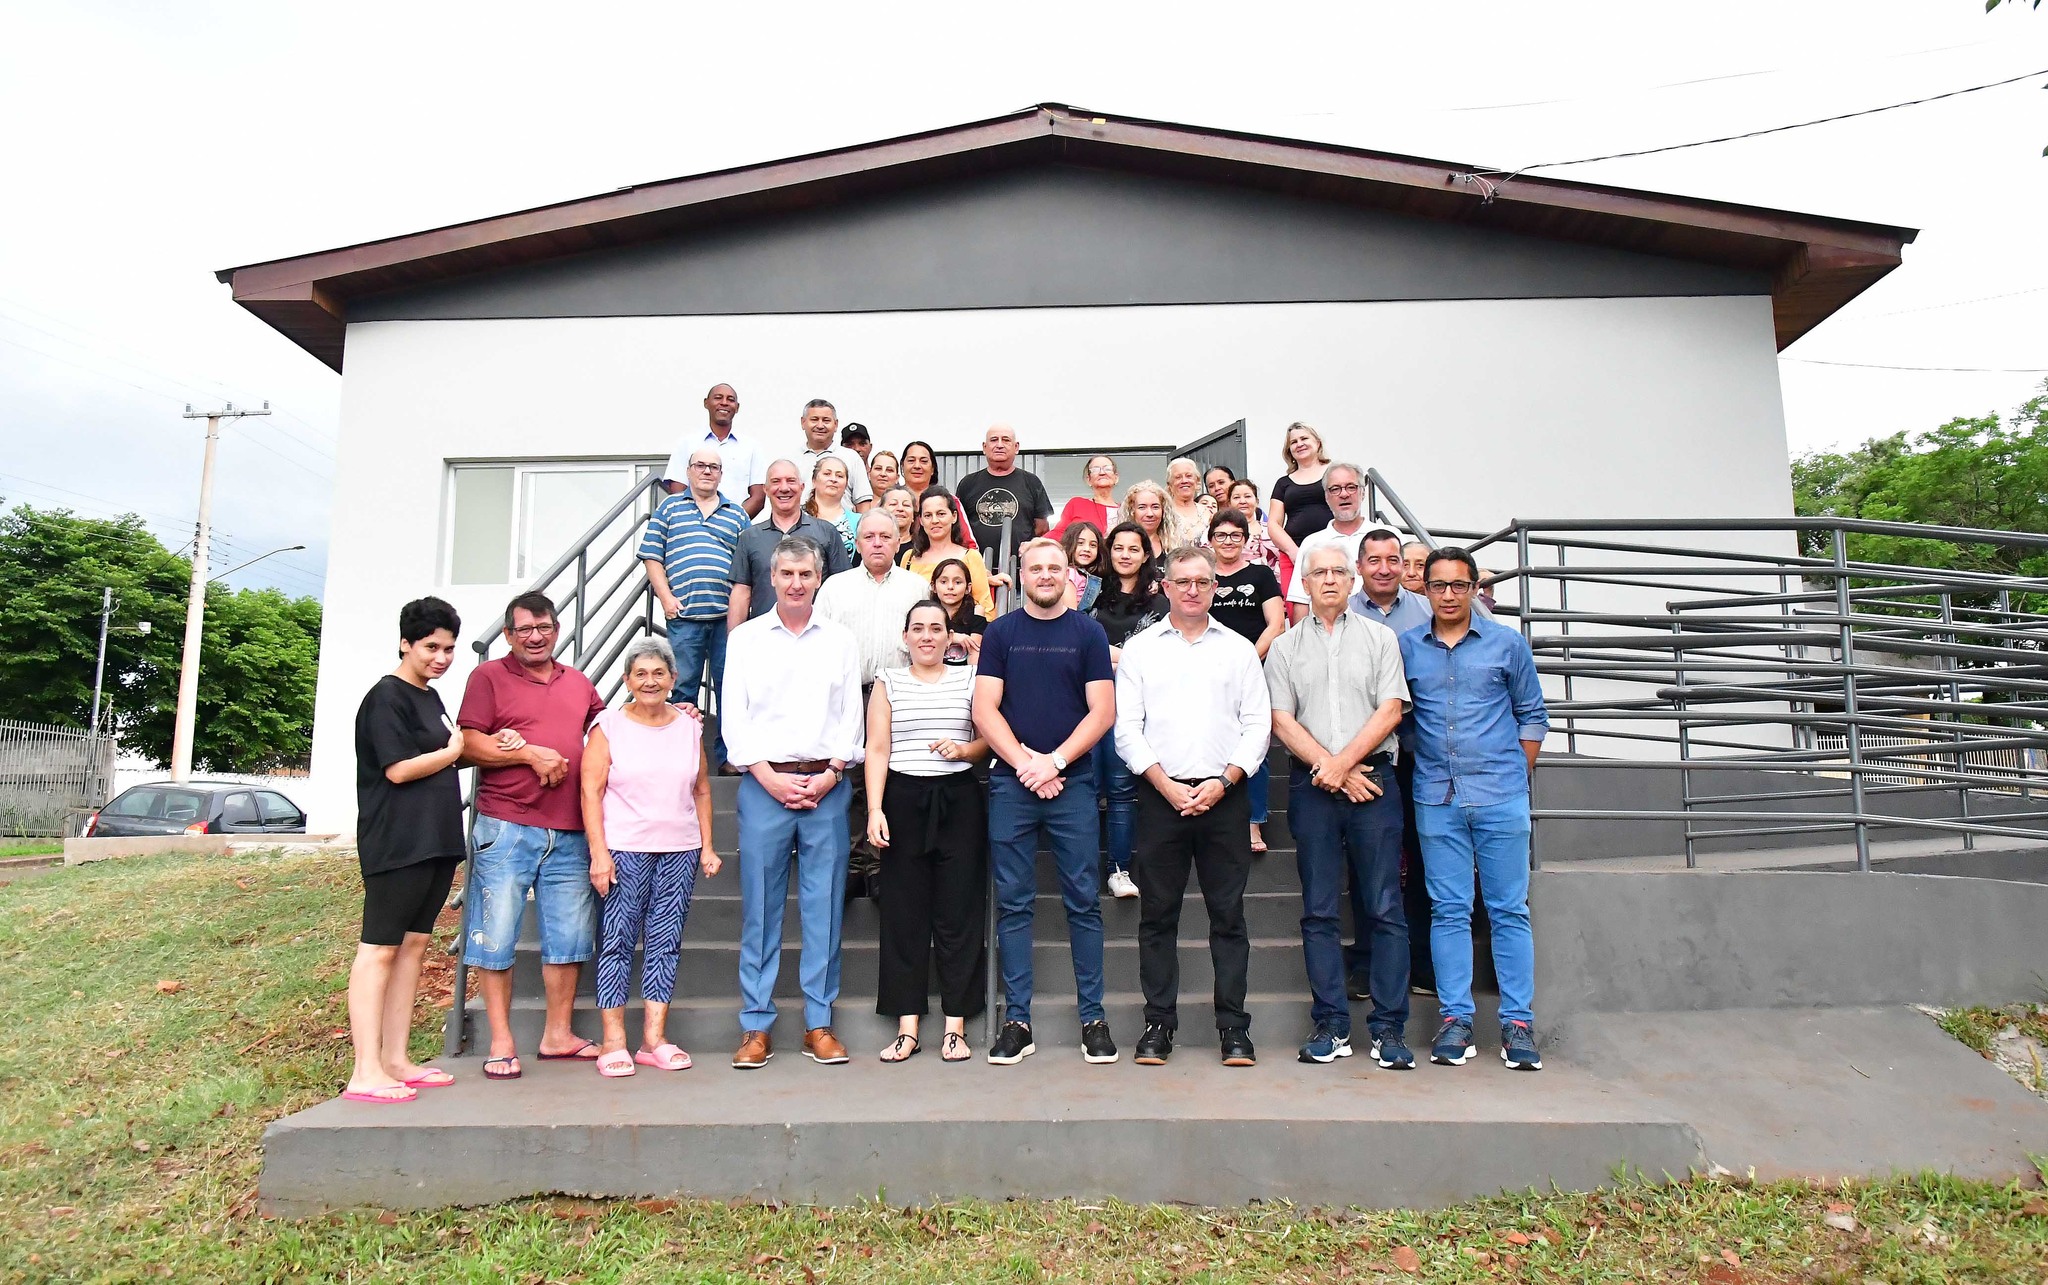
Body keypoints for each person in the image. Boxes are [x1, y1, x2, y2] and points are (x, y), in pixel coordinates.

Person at [1115, 545, 1271, 1068]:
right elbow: (1127, 729)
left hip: (1224, 797)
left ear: (1214, 588)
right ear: (1165, 587)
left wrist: (1224, 782)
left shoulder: (1239, 649)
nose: (1192, 590)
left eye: (1202, 582)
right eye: (1182, 581)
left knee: (1228, 916)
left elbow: (1258, 725)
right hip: (1161, 798)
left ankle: (1234, 1029)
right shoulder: (1141, 650)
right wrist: (1163, 784)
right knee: (1158, 917)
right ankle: (1159, 1025)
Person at [1399, 546, 1550, 1072]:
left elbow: (1532, 715)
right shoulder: (1406, 648)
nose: (1448, 595)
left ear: (1473, 589)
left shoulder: (1508, 644)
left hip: (1501, 796)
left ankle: (1518, 1025)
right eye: (1438, 585)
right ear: (1425, 590)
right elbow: (1398, 717)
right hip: (1436, 797)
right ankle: (1455, 1020)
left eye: (1458, 585)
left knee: (1509, 910)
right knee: (1448, 910)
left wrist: (1513, 775)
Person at [1267, 544, 1414, 1070]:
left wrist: (1344, 766)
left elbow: (1391, 709)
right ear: (1303, 584)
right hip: (1313, 789)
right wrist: (1330, 769)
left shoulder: (1380, 638)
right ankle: (1331, 1024)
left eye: (1338, 571)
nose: (1329, 579)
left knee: (1385, 907)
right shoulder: (1284, 648)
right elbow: (1280, 719)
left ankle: (1389, 1028)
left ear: (1352, 581)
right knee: (1319, 910)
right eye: (1319, 573)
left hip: (1374, 783)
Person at [972, 538, 1118, 1066]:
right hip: (1013, 786)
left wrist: (1053, 763)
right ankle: (1017, 1022)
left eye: (1055, 567)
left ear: (1068, 574)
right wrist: (1026, 766)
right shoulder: (1000, 633)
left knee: (1083, 902)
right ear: (1022, 575)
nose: (1046, 575)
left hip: (1072, 784)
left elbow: (1102, 712)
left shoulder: (1089, 633)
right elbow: (984, 709)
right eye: (1036, 568)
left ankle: (1093, 1020)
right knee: (1014, 904)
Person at [722, 537, 866, 1069]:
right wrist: (766, 776)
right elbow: (734, 717)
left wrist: (831, 773)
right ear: (772, 578)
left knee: (823, 907)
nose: (796, 583)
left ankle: (818, 1023)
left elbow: (851, 715)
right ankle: (755, 1025)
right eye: (787, 574)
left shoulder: (841, 640)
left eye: (806, 574)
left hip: (827, 786)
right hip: (765, 786)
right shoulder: (746, 639)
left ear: (819, 577)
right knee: (761, 909)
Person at [457, 591, 607, 1079]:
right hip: (507, 825)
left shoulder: (578, 682)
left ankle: (558, 1035)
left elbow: (610, 730)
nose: (536, 637)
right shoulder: (488, 677)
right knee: (496, 934)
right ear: (508, 634)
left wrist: (676, 712)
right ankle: (501, 1041)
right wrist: (528, 754)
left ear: (557, 630)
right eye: (524, 629)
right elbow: (467, 744)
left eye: (544, 628)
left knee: (570, 938)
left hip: (570, 829)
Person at [345, 596, 473, 1103]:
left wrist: (479, 748)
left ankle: (396, 1060)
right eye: (430, 647)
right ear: (405, 643)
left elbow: (440, 758)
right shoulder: (386, 696)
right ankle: (365, 1071)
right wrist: (453, 751)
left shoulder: (430, 697)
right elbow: (398, 770)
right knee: (379, 949)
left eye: (449, 649)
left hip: (435, 840)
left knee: (414, 947)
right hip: (396, 842)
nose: (441, 657)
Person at [581, 636, 721, 1078]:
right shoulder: (608, 726)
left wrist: (708, 846)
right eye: (640, 674)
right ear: (627, 680)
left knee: (665, 941)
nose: (650, 681)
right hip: (624, 849)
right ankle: (613, 1041)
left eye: (659, 673)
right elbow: (590, 792)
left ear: (674, 679)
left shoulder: (689, 727)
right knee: (617, 941)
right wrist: (599, 854)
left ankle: (653, 1040)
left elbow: (701, 789)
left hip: (680, 849)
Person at [866, 599, 990, 1063]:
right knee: (904, 914)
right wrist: (875, 809)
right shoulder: (888, 680)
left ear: (948, 636)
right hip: (903, 799)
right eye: (917, 628)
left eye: (936, 628)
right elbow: (877, 748)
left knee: (960, 912)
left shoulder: (969, 678)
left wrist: (964, 750)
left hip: (959, 800)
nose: (926, 636)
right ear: (905, 637)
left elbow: (988, 739)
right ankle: (908, 1027)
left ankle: (956, 1026)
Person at [818, 511, 935, 900]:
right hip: (849, 695)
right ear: (857, 541)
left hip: (901, 695)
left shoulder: (916, 587)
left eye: (886, 536)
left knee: (893, 780)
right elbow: (818, 643)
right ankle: (857, 866)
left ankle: (886, 865)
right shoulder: (835, 587)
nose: (878, 543)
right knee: (852, 780)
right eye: (869, 536)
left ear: (899, 540)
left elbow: (928, 639)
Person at [1344, 529, 1436, 998]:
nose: (1384, 568)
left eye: (1392, 559)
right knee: (1366, 862)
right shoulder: (1343, 612)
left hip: (1421, 753)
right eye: (1374, 560)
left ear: (1404, 565)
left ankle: (1420, 961)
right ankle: (1366, 960)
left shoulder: (1427, 610)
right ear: (1359, 566)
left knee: (1421, 858)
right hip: (1365, 757)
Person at [639, 446, 749, 773]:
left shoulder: (736, 514)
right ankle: (681, 760)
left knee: (731, 691)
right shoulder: (669, 508)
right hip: (684, 617)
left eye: (714, 467)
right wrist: (665, 598)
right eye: (700, 465)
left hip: (727, 621)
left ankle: (729, 759)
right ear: (688, 471)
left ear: (721, 474)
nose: (706, 471)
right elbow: (652, 556)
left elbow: (747, 565)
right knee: (682, 687)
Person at [1087, 521, 1165, 900]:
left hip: (1134, 704)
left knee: (1120, 788)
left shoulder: (1159, 600)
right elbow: (1077, 641)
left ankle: (1118, 870)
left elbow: (1160, 652)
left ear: (1146, 554)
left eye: (1134, 548)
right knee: (1086, 787)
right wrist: (1123, 657)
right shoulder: (1091, 593)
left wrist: (1113, 657)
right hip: (1088, 700)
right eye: (1118, 547)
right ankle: (1084, 868)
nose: (1125, 555)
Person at [1206, 509, 1285, 854]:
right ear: (1210, 540)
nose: (1228, 541)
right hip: (1207, 671)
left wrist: (1248, 659)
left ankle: (1254, 823)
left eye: (1235, 535)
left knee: (1255, 743)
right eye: (1221, 535)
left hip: (1254, 667)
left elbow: (1276, 624)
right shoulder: (1202, 574)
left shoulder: (1261, 574)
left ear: (1246, 539)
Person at [727, 460, 852, 624]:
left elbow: (842, 588)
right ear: (765, 489)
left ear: (802, 487)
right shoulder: (750, 537)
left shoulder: (827, 532)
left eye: (791, 481)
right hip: (764, 635)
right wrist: (734, 638)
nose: (784, 488)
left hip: (816, 634)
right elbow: (741, 593)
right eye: (776, 481)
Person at [954, 424, 1051, 573]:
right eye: (994, 440)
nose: (999, 445)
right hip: (977, 571)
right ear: (984, 447)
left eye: (1006, 440)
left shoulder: (1031, 482)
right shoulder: (968, 484)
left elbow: (1042, 528)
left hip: (1021, 571)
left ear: (1016, 447)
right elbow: (959, 527)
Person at [662, 383, 765, 517]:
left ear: (737, 407)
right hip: (694, 525)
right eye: (718, 398)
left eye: (730, 399)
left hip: (736, 527)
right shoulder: (686, 444)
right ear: (706, 403)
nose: (724, 403)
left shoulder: (751, 447)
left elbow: (758, 498)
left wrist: (732, 522)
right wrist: (699, 523)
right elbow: (678, 491)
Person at [1284, 462, 1371, 609]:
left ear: (1362, 493)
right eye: (1335, 489)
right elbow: (1301, 601)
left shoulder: (1389, 537)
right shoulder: (1311, 543)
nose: (1344, 494)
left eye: (1351, 487)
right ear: (1326, 497)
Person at [904, 486, 998, 619]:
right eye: (928, 515)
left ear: (954, 516)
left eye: (941, 514)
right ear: (921, 521)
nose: (934, 520)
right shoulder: (909, 558)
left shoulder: (970, 557)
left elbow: (985, 609)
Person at [1267, 421, 1332, 565]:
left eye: (1304, 438)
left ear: (1318, 443)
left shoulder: (1334, 473)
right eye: (1293, 442)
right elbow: (1273, 523)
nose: (1299, 444)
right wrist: (1294, 552)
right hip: (1293, 555)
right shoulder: (1283, 483)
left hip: (1333, 550)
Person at [899, 439, 978, 552]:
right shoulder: (890, 499)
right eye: (911, 460)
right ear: (902, 466)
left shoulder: (949, 500)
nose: (917, 466)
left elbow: (970, 546)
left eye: (924, 461)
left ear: (932, 469)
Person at [795, 399, 873, 510]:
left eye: (826, 420)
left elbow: (863, 503)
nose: (820, 425)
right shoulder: (790, 460)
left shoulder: (851, 457)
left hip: (842, 521)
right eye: (814, 420)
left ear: (835, 425)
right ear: (803, 422)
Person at [929, 557, 986, 665]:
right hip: (931, 669)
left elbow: (974, 652)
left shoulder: (976, 611)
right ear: (934, 587)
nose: (950, 587)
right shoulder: (926, 612)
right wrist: (953, 637)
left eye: (958, 582)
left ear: (968, 588)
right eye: (943, 582)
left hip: (964, 672)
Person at [803, 454, 861, 562]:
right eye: (827, 474)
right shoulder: (798, 516)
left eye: (839, 476)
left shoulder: (859, 521)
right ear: (814, 481)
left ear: (846, 485)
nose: (833, 479)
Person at [1051, 454, 1120, 538]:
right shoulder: (1077, 504)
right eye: (1095, 469)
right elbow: (1058, 533)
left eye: (1107, 469)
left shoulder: (1125, 510)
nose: (1102, 473)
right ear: (1088, 480)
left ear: (1116, 478)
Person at [1162, 457, 1216, 550]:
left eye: (1189, 476)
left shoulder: (1207, 513)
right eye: (1178, 477)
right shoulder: (1163, 512)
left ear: (1197, 481)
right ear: (1170, 485)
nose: (1184, 481)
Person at [1059, 520, 1104, 613]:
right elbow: (1070, 612)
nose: (1087, 549)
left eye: (1093, 545)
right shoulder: (1070, 573)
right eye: (1080, 543)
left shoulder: (1084, 574)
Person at [1121, 480, 1170, 563]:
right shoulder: (1117, 544)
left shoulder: (1174, 544)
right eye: (1142, 507)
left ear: (1163, 510)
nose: (1150, 514)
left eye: (1155, 507)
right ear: (1132, 511)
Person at [877, 484, 917, 563]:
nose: (900, 508)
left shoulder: (922, 548)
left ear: (913, 515)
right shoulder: (871, 544)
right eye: (893, 504)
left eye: (906, 505)